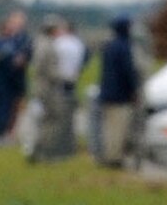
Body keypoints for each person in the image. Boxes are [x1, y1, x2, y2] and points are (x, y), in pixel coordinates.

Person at [95, 13, 142, 168]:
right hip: (120, 95)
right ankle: (114, 158)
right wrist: (134, 90)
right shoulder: (124, 47)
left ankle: (108, 154)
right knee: (119, 128)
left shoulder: (109, 46)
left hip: (107, 92)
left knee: (109, 127)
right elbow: (128, 71)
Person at [26, 27, 77, 162]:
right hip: (48, 89)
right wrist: (68, 78)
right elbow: (51, 71)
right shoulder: (48, 47)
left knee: (43, 119)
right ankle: (46, 151)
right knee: (53, 118)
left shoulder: (40, 44)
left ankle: (36, 149)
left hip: (39, 87)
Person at [0, 11, 32, 143]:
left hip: (14, 80)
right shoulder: (0, 43)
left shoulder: (23, 39)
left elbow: (28, 53)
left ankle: (8, 132)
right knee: (1, 108)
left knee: (13, 108)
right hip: (2, 82)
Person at [50, 17, 85, 101]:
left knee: (59, 100)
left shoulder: (59, 42)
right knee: (69, 97)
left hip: (59, 77)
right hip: (73, 76)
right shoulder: (78, 43)